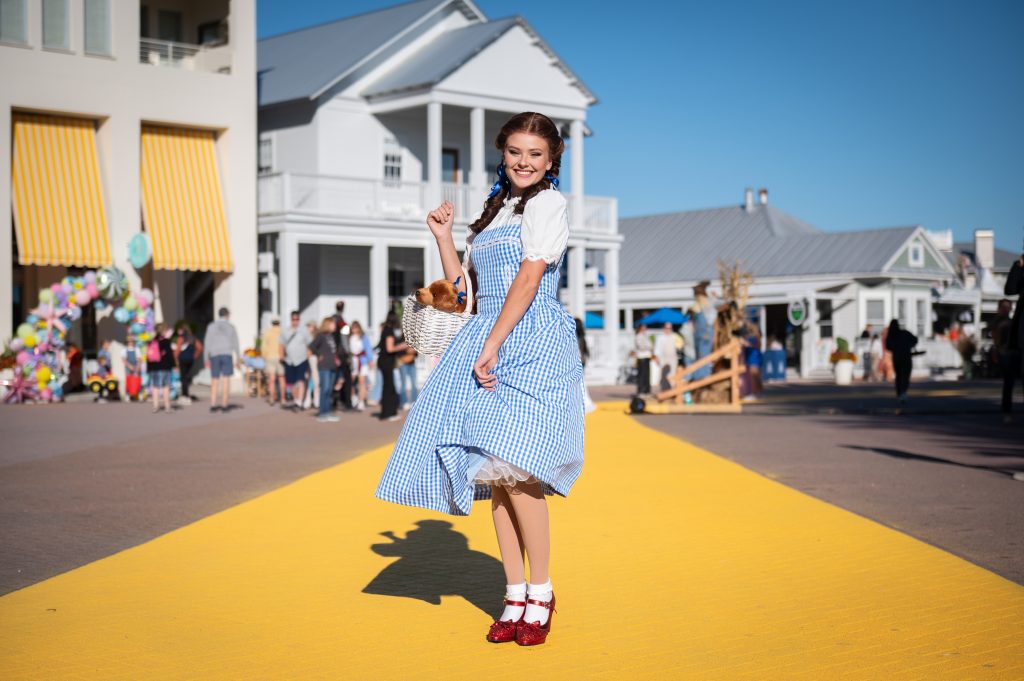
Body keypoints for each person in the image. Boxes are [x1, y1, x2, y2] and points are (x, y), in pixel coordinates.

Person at [376, 112, 583, 647]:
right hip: (486, 340)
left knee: (520, 471)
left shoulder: (548, 204)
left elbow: (531, 275)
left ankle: (541, 591)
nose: (524, 162)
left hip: (530, 343)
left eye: (535, 154)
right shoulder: (491, 214)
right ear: (503, 152)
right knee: (495, 477)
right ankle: (513, 594)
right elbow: (463, 290)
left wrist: (492, 343)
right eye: (516, 151)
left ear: (552, 159)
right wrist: (445, 238)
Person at [203, 307, 241, 413]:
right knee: (226, 380)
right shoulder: (231, 326)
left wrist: (206, 358)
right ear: (227, 315)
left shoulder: (211, 326)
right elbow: (235, 343)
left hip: (214, 355)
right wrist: (238, 357)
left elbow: (207, 342)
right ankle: (224, 404)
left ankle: (213, 404)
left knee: (214, 380)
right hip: (226, 354)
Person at [1002, 254, 1024, 419]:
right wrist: (1018, 266)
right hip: (1019, 333)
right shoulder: (1021, 268)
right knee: (1011, 373)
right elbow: (1010, 289)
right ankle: (1006, 410)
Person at [375, 311, 408, 421]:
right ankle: (388, 413)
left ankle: (387, 413)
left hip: (384, 361)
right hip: (386, 361)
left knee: (388, 386)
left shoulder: (386, 329)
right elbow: (390, 348)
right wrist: (403, 346)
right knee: (389, 387)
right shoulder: (389, 331)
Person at [308, 317, 340, 423]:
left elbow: (333, 350)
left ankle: (327, 411)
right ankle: (322, 413)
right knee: (324, 389)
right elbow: (312, 346)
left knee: (330, 390)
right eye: (333, 324)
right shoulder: (321, 336)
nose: (334, 326)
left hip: (332, 366)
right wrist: (318, 355)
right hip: (324, 366)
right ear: (327, 324)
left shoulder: (331, 336)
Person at [280, 310, 311, 411]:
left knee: (301, 380)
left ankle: (299, 402)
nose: (295, 321)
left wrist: (309, 356)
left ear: (299, 320)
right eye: (294, 319)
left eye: (297, 319)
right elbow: (281, 344)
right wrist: (281, 356)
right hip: (289, 360)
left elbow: (310, 344)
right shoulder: (285, 331)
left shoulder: (304, 331)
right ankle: (297, 399)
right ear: (291, 319)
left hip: (302, 359)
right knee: (291, 383)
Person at [885, 319, 918, 404]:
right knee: (906, 376)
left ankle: (900, 393)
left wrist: (896, 348)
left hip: (897, 357)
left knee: (899, 376)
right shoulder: (904, 333)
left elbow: (888, 347)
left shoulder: (891, 336)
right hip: (906, 356)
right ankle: (903, 392)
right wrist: (908, 346)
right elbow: (915, 340)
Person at [146, 324, 175, 413]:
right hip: (165, 367)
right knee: (166, 386)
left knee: (155, 387)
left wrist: (149, 368)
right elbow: (170, 355)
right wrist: (173, 365)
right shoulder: (166, 341)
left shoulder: (152, 341)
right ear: (164, 331)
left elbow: (148, 355)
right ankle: (167, 406)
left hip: (154, 367)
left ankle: (155, 406)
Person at [690, 281, 715, 380]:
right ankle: (699, 375)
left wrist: (706, 331)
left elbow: (710, 319)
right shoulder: (699, 304)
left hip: (704, 334)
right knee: (699, 356)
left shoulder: (706, 304)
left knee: (703, 356)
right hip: (699, 334)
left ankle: (703, 376)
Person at [332, 301, 353, 411]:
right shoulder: (341, 322)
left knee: (336, 378)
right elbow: (345, 339)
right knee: (346, 379)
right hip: (342, 354)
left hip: (334, 354)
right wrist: (348, 354)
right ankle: (346, 402)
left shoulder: (332, 320)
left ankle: (335, 402)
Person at [348, 321, 373, 411]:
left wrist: (370, 360)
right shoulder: (349, 337)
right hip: (353, 361)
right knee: (352, 381)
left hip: (362, 361)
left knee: (362, 382)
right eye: (353, 328)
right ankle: (353, 397)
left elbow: (368, 349)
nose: (354, 329)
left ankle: (361, 401)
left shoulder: (363, 337)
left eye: (356, 327)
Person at [173, 324, 201, 403]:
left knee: (183, 377)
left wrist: (174, 359)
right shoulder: (192, 338)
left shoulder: (181, 338)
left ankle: (185, 395)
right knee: (187, 376)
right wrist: (194, 356)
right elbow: (200, 347)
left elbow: (177, 350)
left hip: (183, 359)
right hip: (190, 360)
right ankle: (186, 394)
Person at [261, 316, 284, 405]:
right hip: (280, 357)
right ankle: (283, 398)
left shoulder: (268, 332)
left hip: (270, 357)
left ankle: (271, 398)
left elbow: (263, 346)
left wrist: (264, 356)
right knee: (282, 378)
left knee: (272, 379)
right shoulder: (282, 332)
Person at [574, 317, 596, 413]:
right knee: (582, 382)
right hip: (582, 362)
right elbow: (586, 353)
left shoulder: (574, 336)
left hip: (576, 362)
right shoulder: (582, 337)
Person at [653, 322, 678, 391]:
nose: (668, 330)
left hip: (672, 359)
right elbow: (657, 349)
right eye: (667, 328)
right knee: (663, 375)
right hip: (663, 359)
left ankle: (672, 390)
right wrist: (656, 357)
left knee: (672, 375)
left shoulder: (674, 337)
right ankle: (664, 390)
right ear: (664, 328)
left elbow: (678, 347)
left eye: (670, 328)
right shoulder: (660, 337)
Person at [743, 320, 763, 400]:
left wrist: (745, 343)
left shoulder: (753, 338)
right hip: (755, 359)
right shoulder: (755, 337)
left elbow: (751, 345)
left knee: (753, 377)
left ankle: (753, 394)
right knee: (756, 377)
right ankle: (758, 393)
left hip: (753, 359)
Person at [633, 324, 653, 395]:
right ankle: (641, 390)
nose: (645, 329)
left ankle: (647, 390)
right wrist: (648, 346)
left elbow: (650, 345)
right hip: (641, 357)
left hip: (647, 356)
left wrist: (648, 346)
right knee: (641, 375)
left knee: (647, 375)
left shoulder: (646, 336)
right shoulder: (638, 336)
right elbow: (642, 346)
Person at [397, 342, 418, 410]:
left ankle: (414, 402)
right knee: (403, 383)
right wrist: (407, 350)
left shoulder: (413, 338)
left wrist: (412, 350)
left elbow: (416, 351)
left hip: (412, 363)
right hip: (403, 363)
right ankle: (403, 402)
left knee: (414, 384)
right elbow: (398, 350)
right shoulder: (401, 337)